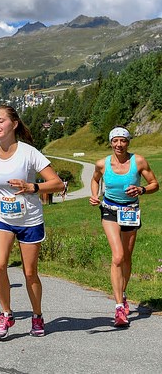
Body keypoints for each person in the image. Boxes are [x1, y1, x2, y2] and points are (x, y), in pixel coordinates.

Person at [0, 105, 63, 339]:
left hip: (29, 219)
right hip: (1, 216)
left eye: (0, 121)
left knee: (30, 273)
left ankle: (37, 315)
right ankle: (6, 313)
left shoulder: (29, 153)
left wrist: (33, 187)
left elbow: (58, 183)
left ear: (14, 124)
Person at [89, 126, 159, 327]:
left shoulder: (138, 161)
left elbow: (155, 184)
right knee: (117, 256)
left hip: (130, 211)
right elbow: (95, 180)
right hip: (110, 210)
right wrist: (94, 195)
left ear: (128, 142)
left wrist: (141, 189)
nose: (119, 144)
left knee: (127, 257)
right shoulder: (102, 163)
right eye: (115, 141)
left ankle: (123, 292)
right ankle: (119, 307)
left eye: (123, 141)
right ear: (110, 142)